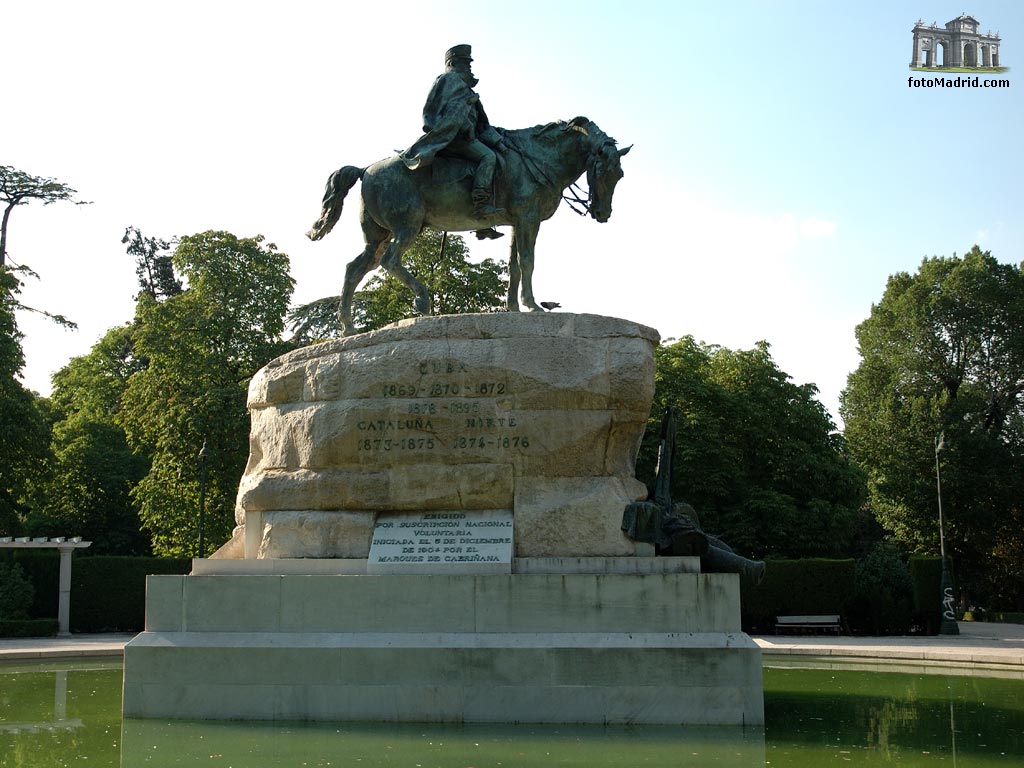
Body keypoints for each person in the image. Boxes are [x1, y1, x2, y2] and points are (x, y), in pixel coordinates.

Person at [400, 44, 508, 236]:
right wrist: (462, 122)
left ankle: (484, 225)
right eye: (465, 63)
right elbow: (438, 112)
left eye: (469, 63)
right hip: (455, 139)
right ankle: (481, 206)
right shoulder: (449, 79)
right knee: (488, 158)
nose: (469, 67)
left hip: (469, 138)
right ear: (452, 63)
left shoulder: (466, 89)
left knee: (497, 157)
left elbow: (482, 124)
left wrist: (499, 142)